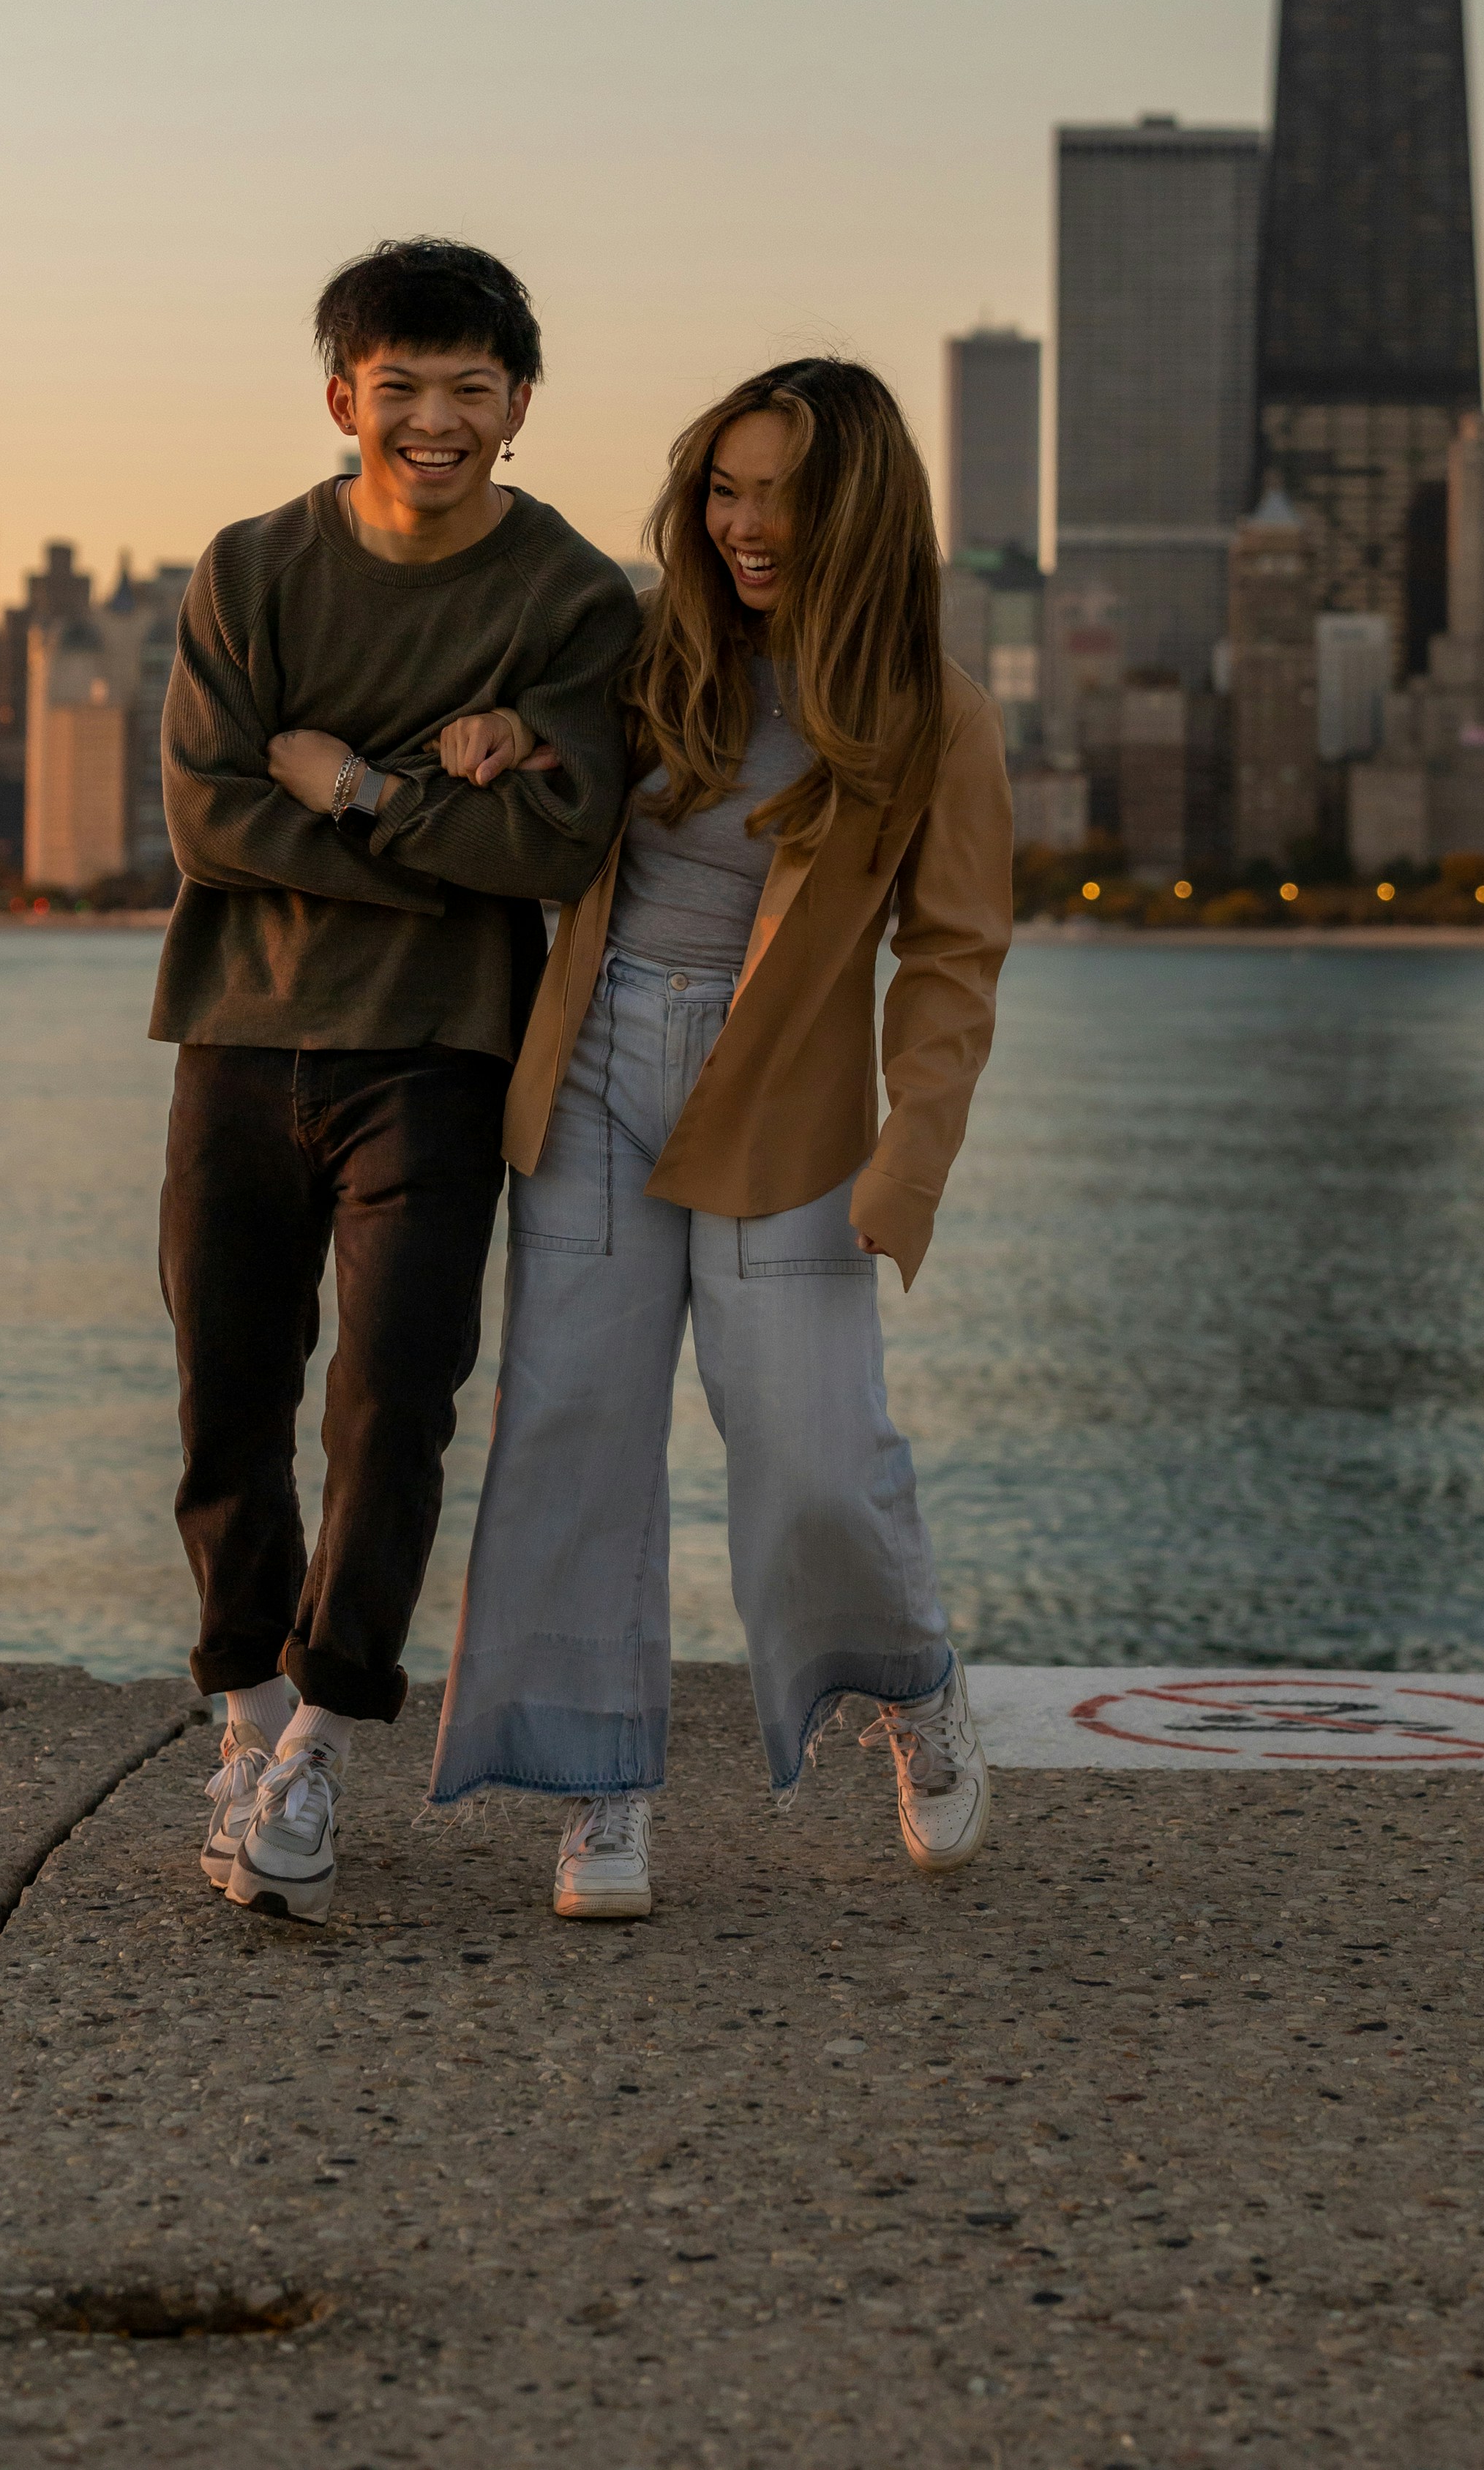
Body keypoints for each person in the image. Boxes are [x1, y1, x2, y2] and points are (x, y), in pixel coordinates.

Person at [425, 355, 1014, 1917]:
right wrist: (508, 735)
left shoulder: (934, 714)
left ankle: (914, 1676)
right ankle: (596, 1785)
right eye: (726, 488)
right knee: (571, 1429)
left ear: (861, 513)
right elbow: (555, 768)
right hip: (603, 1058)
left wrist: (915, 1150)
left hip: (789, 1097)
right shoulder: (645, 648)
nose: (745, 525)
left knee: (817, 1448)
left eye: (785, 497)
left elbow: (954, 952)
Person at [154, 236, 638, 1923]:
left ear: (516, 407)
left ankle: (322, 1750)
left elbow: (561, 840)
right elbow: (207, 812)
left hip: (439, 1055)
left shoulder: (574, 596)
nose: (433, 418)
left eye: (470, 388)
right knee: (229, 1399)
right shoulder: (251, 566)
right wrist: (445, 817)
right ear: (342, 393)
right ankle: (247, 1711)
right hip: (237, 1034)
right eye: (401, 384)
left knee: (392, 1407)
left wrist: (354, 788)